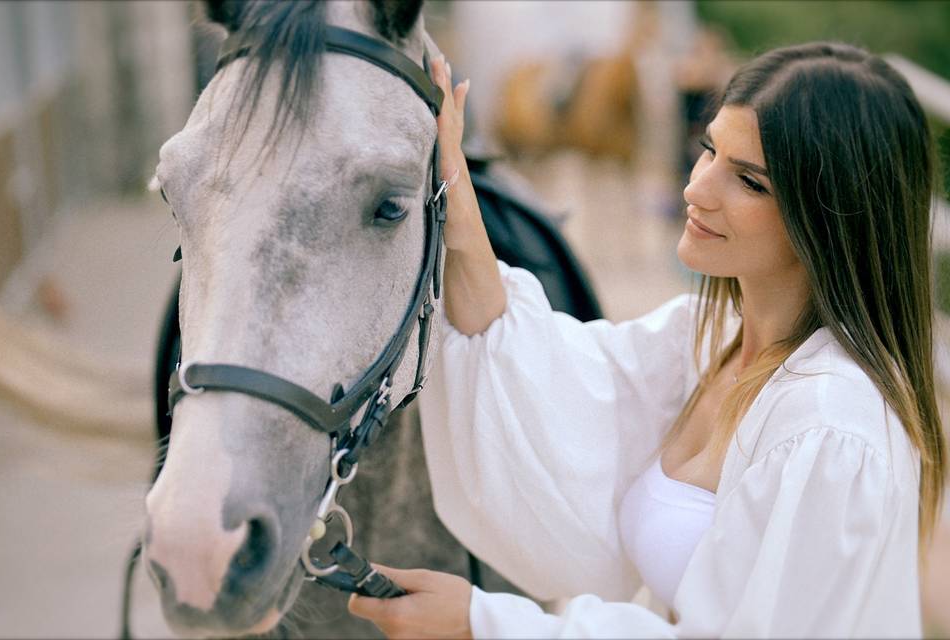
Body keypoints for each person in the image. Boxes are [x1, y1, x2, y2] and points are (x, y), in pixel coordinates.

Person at [348, 42, 945, 638]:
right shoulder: (705, 342)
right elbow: (546, 377)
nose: (697, 190)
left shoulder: (831, 429)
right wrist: (452, 185)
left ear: (831, 217)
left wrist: (484, 622)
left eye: (749, 182)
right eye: (709, 149)